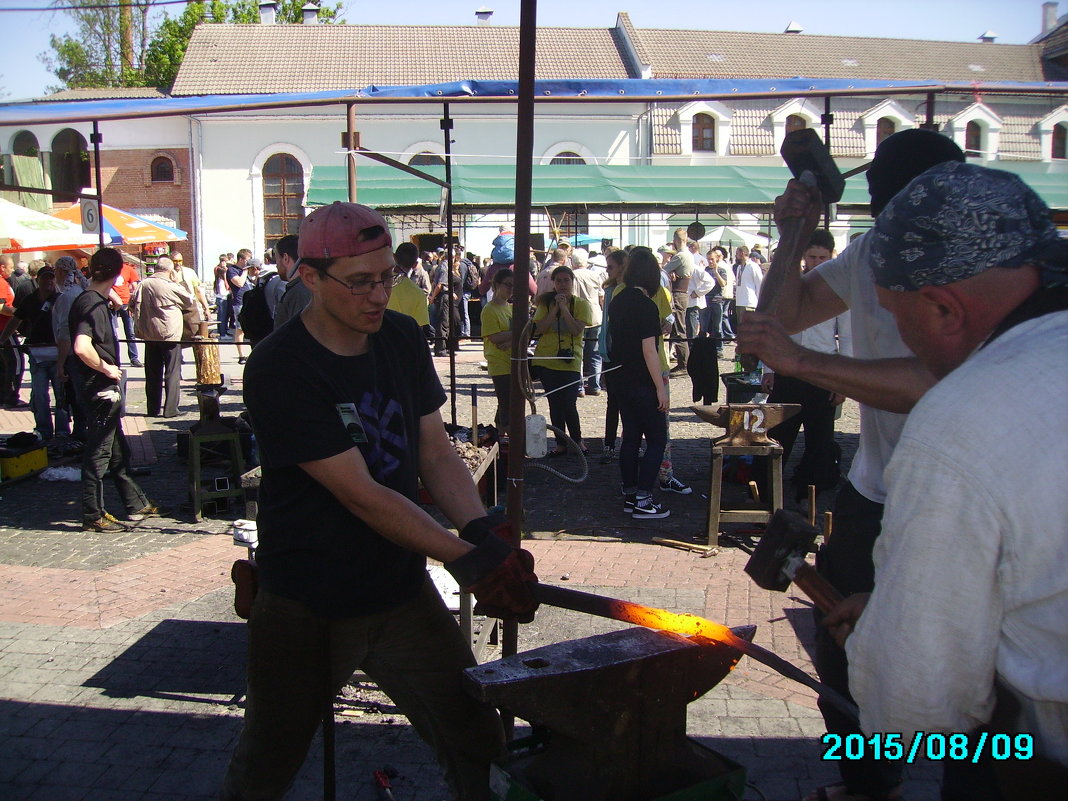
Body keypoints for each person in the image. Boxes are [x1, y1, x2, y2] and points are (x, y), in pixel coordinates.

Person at [220, 201, 539, 801]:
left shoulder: (397, 336)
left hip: (397, 590)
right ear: (310, 278)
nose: (378, 295)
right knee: (267, 763)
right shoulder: (279, 367)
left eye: (386, 276)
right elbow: (361, 494)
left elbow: (435, 451)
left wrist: (481, 531)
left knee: (473, 735)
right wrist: (464, 559)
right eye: (360, 282)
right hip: (306, 601)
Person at [737, 128, 967, 801]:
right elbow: (788, 312)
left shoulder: (967, 263)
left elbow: (935, 378)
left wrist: (807, 364)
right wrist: (793, 231)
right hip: (874, 487)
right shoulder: (869, 254)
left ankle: (971, 773)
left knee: (960, 653)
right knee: (841, 640)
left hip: (955, 492)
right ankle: (867, 783)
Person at [826, 161, 1068, 798]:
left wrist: (877, 644)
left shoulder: (963, 418)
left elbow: (916, 703)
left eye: (895, 317)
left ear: (942, 307)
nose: (898, 336)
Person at [68, 248, 157, 532]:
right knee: (99, 453)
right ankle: (92, 514)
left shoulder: (96, 300)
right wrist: (105, 368)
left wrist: (113, 299)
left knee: (116, 451)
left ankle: (135, 503)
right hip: (99, 389)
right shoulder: (89, 304)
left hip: (103, 388)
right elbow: (81, 347)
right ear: (119, 273)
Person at [760, 230, 851, 500]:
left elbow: (847, 337)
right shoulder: (788, 284)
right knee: (778, 435)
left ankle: (809, 493)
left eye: (823, 257)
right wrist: (768, 369)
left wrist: (842, 382)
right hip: (787, 370)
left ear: (832, 256)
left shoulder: (840, 289)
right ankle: (767, 490)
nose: (817, 262)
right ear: (804, 256)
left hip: (823, 371)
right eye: (812, 257)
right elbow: (771, 328)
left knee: (820, 440)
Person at [609, 247, 671, 519]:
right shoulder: (647, 305)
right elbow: (650, 350)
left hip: (620, 378)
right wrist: (660, 387)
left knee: (631, 438)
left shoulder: (617, 300)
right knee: (657, 439)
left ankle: (630, 493)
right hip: (641, 381)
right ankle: (644, 499)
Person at [531, 265, 592, 456]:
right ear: (554, 284)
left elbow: (576, 329)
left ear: (572, 282)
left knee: (569, 403)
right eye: (559, 281)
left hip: (570, 361)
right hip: (547, 361)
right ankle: (560, 443)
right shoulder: (545, 304)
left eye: (566, 280)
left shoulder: (581, 304)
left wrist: (565, 308)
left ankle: (577, 440)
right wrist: (555, 307)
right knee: (554, 404)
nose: (563, 284)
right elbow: (540, 328)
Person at [129, 256, 196, 418]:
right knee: (172, 372)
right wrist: (177, 282)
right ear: (170, 270)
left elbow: (131, 304)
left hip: (149, 334)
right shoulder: (170, 285)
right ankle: (170, 409)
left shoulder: (143, 284)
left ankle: (152, 409)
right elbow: (189, 301)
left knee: (152, 374)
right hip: (169, 334)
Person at [13, 266, 69, 441]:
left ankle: (62, 431)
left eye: (51, 278)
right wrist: (2, 339)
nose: (49, 281)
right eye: (45, 278)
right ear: (38, 280)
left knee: (61, 395)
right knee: (39, 394)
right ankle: (44, 430)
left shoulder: (60, 299)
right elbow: (16, 319)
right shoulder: (30, 300)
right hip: (37, 354)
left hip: (57, 353)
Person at [597, 249, 626, 463]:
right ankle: (609, 443)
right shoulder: (610, 290)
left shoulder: (632, 291)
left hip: (628, 351)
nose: (607, 271)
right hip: (613, 351)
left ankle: (628, 442)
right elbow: (607, 324)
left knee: (627, 402)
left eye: (610, 267)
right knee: (613, 401)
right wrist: (605, 350)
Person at [480, 268, 514, 440]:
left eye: (514, 286)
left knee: (506, 400)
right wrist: (515, 334)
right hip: (498, 361)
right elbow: (494, 337)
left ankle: (499, 433)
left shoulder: (509, 307)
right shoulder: (490, 309)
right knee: (506, 401)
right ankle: (507, 432)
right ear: (496, 285)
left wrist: (510, 338)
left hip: (510, 359)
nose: (511, 289)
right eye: (508, 285)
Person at [570, 248, 606, 396]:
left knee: (578, 354)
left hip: (577, 317)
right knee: (595, 355)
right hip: (595, 317)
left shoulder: (570, 276)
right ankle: (595, 385)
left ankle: (579, 387)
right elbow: (601, 297)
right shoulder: (594, 276)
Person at [663, 228, 694, 373]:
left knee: (679, 330)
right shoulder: (689, 255)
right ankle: (684, 362)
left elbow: (663, 271)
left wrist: (669, 272)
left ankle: (684, 363)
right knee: (680, 328)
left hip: (678, 293)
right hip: (683, 293)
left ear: (675, 240)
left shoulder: (680, 256)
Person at [111, 257, 142, 368]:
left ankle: (134, 358)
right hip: (112, 303)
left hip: (126, 304)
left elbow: (135, 287)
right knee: (112, 333)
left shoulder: (128, 269)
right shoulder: (110, 269)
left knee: (130, 332)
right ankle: (114, 359)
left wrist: (133, 305)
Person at [733, 245, 763, 328]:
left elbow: (759, 284)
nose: (736, 256)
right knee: (741, 326)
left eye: (737, 253)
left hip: (749, 302)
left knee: (749, 326)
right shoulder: (739, 267)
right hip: (739, 301)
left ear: (742, 253)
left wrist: (759, 301)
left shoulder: (753, 266)